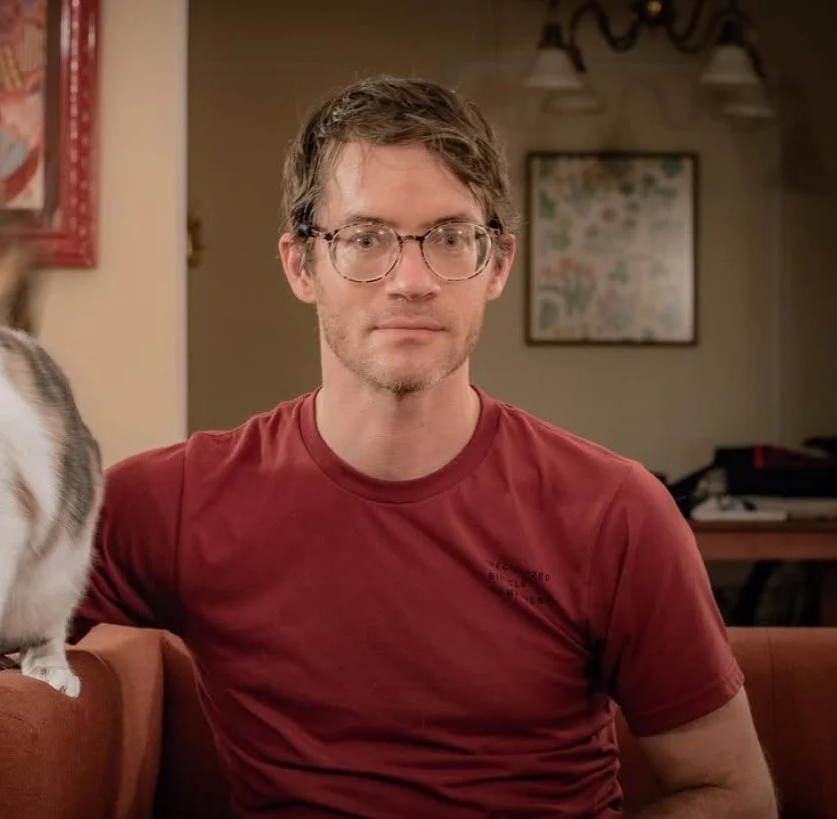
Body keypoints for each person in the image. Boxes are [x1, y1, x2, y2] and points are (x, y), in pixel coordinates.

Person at [71, 75, 776, 817]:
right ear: (301, 265)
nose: (411, 280)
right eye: (366, 238)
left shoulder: (615, 511)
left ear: (496, 263)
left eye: (449, 238)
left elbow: (733, 793)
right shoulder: (175, 502)